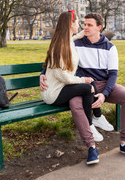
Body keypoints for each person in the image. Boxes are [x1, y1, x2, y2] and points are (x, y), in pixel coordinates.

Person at [41, 12, 125, 160]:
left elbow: (113, 74)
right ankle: (91, 147)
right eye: (84, 24)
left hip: (103, 85)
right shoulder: (76, 43)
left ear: (99, 28)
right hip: (82, 85)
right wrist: (42, 73)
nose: (85, 27)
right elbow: (54, 56)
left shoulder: (110, 47)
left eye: (90, 25)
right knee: (75, 104)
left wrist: (105, 94)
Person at [40, 10, 99, 164]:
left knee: (90, 84)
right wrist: (82, 80)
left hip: (60, 88)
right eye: (77, 22)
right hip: (54, 93)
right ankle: (91, 124)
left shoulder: (67, 41)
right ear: (70, 24)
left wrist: (83, 33)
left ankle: (96, 118)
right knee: (88, 86)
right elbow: (63, 77)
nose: (79, 25)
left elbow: (75, 37)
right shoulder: (59, 46)